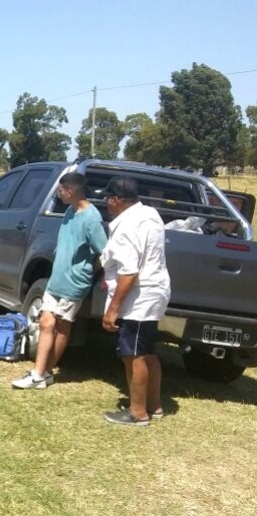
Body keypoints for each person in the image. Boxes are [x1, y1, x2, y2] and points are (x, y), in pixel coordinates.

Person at [12, 172, 108, 389]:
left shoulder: (92, 218)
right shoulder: (69, 212)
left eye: (61, 190)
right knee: (46, 322)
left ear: (71, 191)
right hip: (56, 279)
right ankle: (40, 372)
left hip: (74, 283)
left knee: (62, 326)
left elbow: (104, 252)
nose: (59, 194)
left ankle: (42, 373)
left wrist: (87, 273)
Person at [99, 176, 171, 426]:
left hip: (139, 296)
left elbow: (129, 272)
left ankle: (138, 412)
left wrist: (113, 309)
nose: (106, 202)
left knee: (133, 354)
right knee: (148, 352)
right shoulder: (150, 214)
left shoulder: (125, 228)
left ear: (117, 200)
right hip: (156, 290)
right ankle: (155, 405)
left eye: (108, 198)